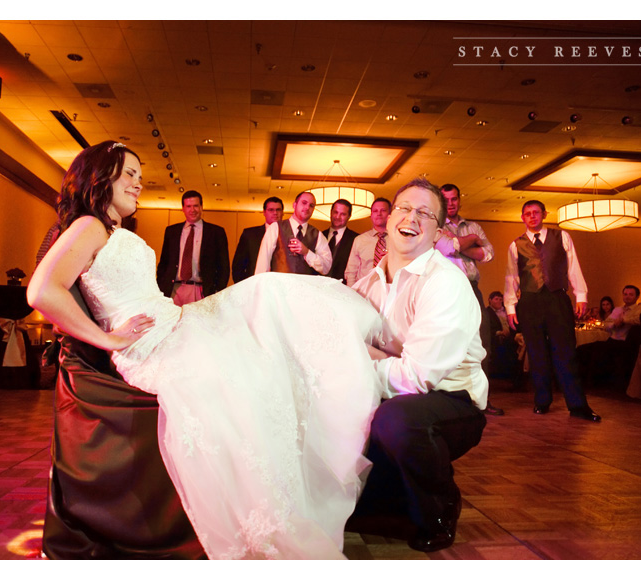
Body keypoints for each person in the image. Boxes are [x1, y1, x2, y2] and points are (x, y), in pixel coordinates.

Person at [27, 141, 383, 559]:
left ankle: (372, 357)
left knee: (267, 299)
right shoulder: (87, 225)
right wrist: (107, 339)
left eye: (141, 176)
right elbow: (41, 290)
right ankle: (381, 362)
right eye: (129, 174)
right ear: (99, 176)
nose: (139, 184)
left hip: (174, 320)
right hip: (153, 343)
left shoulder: (114, 231)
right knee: (260, 324)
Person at [351, 177, 488, 552]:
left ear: (438, 231)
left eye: (425, 214)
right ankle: (384, 498)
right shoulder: (369, 283)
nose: (412, 217)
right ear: (388, 217)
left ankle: (441, 504)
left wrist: (365, 357)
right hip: (392, 392)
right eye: (405, 208)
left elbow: (414, 378)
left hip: (451, 401)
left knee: (396, 420)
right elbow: (340, 343)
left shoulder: (445, 283)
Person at [503, 200, 601, 421]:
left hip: (557, 298)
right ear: (522, 218)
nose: (532, 216)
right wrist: (510, 307)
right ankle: (542, 400)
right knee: (537, 354)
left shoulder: (562, 237)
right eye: (527, 214)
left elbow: (574, 266)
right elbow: (511, 277)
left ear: (544, 214)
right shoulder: (515, 245)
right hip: (529, 302)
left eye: (536, 212)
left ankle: (578, 406)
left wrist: (581, 294)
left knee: (566, 352)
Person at [435, 183, 503, 415]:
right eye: (445, 200)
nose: (450, 204)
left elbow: (489, 253)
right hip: (444, 289)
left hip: (472, 288)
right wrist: (471, 240)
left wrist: (461, 245)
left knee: (482, 343)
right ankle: (447, 398)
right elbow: (443, 249)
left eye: (454, 199)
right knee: (446, 344)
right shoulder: (435, 225)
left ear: (459, 200)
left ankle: (482, 400)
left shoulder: (473, 225)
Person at [156, 190, 230, 306]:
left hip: (202, 290)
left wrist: (217, 291)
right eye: (188, 206)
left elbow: (224, 266)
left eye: (196, 206)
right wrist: (161, 286)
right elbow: (164, 262)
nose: (192, 210)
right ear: (183, 208)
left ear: (201, 207)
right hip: (174, 289)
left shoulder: (216, 232)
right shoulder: (171, 231)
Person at [254, 191, 332, 276]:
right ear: (294, 205)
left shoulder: (318, 235)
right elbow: (262, 265)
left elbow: (326, 267)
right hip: (279, 287)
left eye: (311, 205)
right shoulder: (275, 228)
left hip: (306, 288)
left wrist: (307, 253)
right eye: (304, 203)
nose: (307, 207)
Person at [230, 196, 283, 283]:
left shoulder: (289, 234)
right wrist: (243, 286)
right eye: (271, 210)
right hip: (254, 284)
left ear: (282, 212)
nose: (275, 213)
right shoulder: (250, 234)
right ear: (264, 212)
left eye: (278, 210)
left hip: (281, 285)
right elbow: (238, 265)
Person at [344, 197, 391, 286]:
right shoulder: (360, 240)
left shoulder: (398, 239)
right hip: (364, 291)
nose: (379, 214)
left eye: (383, 210)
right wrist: (353, 293)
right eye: (375, 211)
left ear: (390, 214)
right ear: (371, 215)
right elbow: (351, 272)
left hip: (389, 290)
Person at [321, 199, 359, 283]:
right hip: (318, 288)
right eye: (335, 212)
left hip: (343, 289)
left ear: (349, 216)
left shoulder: (356, 239)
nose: (338, 217)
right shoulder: (319, 235)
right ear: (331, 212)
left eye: (343, 214)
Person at [486, 290, 519, 379]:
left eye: (501, 299)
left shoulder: (506, 311)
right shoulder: (486, 313)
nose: (499, 301)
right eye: (496, 299)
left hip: (511, 336)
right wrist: (499, 332)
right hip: (497, 339)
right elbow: (487, 329)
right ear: (490, 300)